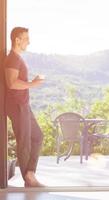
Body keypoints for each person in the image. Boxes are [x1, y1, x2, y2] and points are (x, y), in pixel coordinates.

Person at [4, 27, 45, 187]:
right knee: (24, 142)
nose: (29, 41)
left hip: (24, 105)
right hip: (17, 105)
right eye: (26, 38)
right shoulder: (13, 58)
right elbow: (12, 83)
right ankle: (28, 178)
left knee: (38, 136)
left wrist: (31, 83)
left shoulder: (17, 58)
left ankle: (30, 173)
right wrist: (32, 84)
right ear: (17, 40)